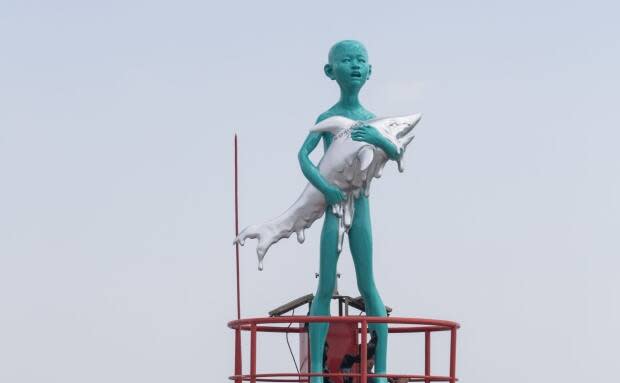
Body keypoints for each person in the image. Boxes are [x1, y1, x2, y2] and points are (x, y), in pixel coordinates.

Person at [299, 40, 401, 383]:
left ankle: (381, 371)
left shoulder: (373, 120)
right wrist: (325, 188)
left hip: (361, 204)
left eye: (361, 60)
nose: (355, 65)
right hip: (333, 206)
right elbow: (303, 156)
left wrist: (383, 141)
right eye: (346, 60)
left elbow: (394, 150)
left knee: (368, 283)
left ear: (370, 71)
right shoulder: (327, 119)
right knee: (325, 284)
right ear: (330, 71)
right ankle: (315, 370)